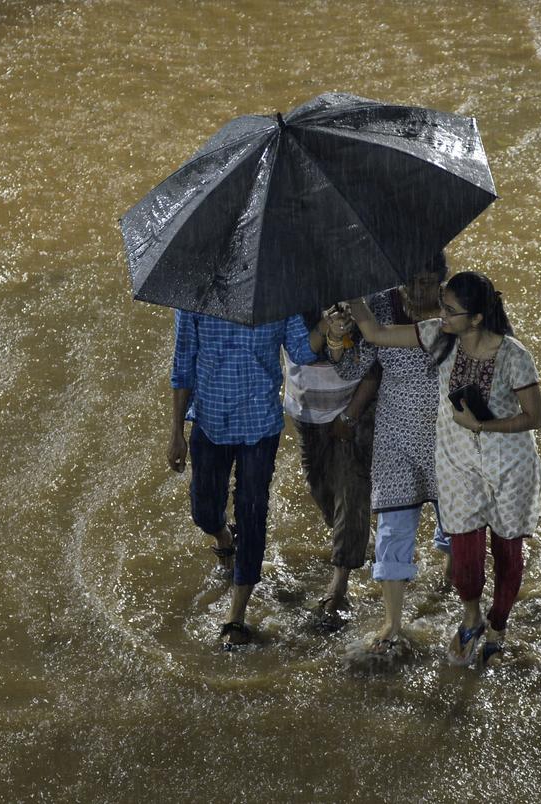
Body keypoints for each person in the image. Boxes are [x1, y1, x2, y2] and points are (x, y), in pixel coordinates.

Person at [345, 269, 541, 667]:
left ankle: (498, 627)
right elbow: (376, 333)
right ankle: (472, 615)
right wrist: (351, 292)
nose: (440, 313)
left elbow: (535, 417)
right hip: (458, 465)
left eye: (450, 310)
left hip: (509, 466)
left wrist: (483, 425)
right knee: (466, 557)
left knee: (507, 554)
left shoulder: (514, 356)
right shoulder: (438, 336)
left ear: (477, 318)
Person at [167, 310, 326, 649]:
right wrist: (176, 433)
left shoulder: (276, 297)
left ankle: (236, 615)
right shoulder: (195, 300)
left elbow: (301, 351)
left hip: (260, 426)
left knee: (253, 511)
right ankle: (224, 538)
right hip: (210, 423)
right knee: (204, 512)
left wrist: (327, 327)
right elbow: (183, 366)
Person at [326, 253, 451, 657]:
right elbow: (350, 369)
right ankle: (393, 621)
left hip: (452, 435)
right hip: (395, 432)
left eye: (429, 282)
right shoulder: (378, 303)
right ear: (398, 280)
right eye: (411, 280)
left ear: (442, 283)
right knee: (394, 526)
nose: (419, 290)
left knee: (458, 521)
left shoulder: (459, 308)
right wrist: (336, 336)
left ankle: (452, 574)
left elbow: (493, 351)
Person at [283, 322, 380, 631]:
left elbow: (378, 361)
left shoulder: (360, 295)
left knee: (352, 488)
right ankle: (352, 535)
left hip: (354, 407)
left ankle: (339, 583)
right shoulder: (282, 296)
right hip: (307, 409)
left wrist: (352, 413)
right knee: (321, 489)